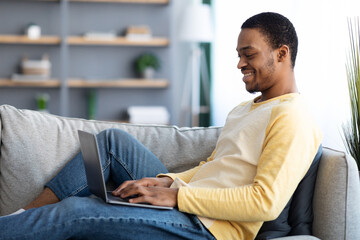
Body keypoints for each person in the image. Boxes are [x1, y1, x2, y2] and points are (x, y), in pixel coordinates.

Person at [0, 12, 322, 240]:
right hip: (191, 203)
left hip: (210, 228)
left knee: (74, 212)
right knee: (113, 140)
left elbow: (264, 202)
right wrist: (165, 182)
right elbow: (213, 168)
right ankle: (22, 216)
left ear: (282, 54)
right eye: (238, 55)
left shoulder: (293, 116)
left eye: (248, 54)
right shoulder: (245, 109)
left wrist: (177, 197)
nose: (239, 64)